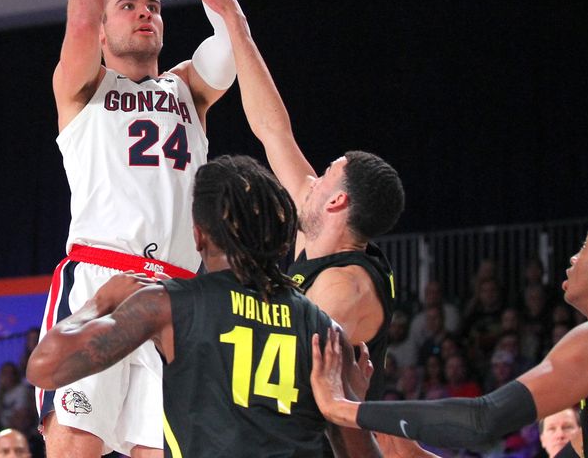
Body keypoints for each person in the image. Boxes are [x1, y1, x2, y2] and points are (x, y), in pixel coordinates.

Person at [39, 0, 236, 457]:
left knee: (165, 451)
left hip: (176, 294)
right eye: (127, 5)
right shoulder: (82, 88)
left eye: (151, 7)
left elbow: (232, 39)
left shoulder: (188, 90)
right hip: (100, 280)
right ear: (102, 29)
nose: (145, 13)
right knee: (75, 442)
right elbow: (77, 16)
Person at [26, 155, 380, 458]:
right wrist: (352, 404)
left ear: (198, 236)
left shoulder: (169, 305)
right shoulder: (324, 330)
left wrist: (97, 303)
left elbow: (45, 368)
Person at [182, 0, 404, 399]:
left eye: (325, 175)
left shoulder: (345, 288)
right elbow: (272, 129)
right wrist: (235, 21)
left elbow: (292, 380)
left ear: (339, 201)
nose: (311, 180)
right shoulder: (315, 227)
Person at [311, 203, 588, 458]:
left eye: (585, 246)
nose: (572, 256)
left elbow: (485, 421)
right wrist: (411, 451)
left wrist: (344, 409)